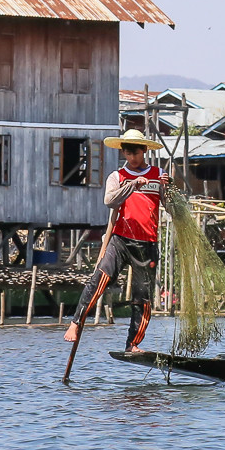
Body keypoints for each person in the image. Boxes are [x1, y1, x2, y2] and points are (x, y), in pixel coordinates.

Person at [64, 129, 170, 352]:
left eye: (136, 153)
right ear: (123, 153)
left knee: (143, 297)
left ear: (144, 151)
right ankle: (76, 322)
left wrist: (167, 188)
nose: (132, 157)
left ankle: (133, 344)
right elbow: (110, 202)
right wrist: (132, 185)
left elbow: (169, 206)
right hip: (120, 240)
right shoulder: (117, 177)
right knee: (99, 279)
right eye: (128, 153)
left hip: (147, 244)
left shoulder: (158, 174)